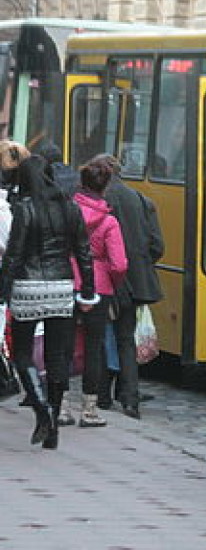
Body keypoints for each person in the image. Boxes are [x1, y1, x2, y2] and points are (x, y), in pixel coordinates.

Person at [0, 152, 95, 450]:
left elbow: (14, 255)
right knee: (57, 357)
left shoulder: (24, 209)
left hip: (28, 286)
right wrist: (87, 290)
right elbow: (84, 253)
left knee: (23, 353)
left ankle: (43, 412)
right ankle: (53, 427)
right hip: (62, 287)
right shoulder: (71, 208)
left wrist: (3, 289)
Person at [94, 154, 165, 418]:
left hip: (108, 280)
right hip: (136, 281)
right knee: (126, 339)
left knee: (101, 337)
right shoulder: (141, 200)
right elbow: (157, 245)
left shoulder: (99, 201)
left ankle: (102, 395)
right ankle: (130, 398)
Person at [72, 156, 129, 428]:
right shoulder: (109, 222)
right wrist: (111, 281)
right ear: (106, 186)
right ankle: (89, 409)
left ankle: (58, 406)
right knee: (94, 348)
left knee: (63, 344)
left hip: (69, 280)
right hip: (99, 285)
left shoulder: (69, 211)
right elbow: (119, 263)